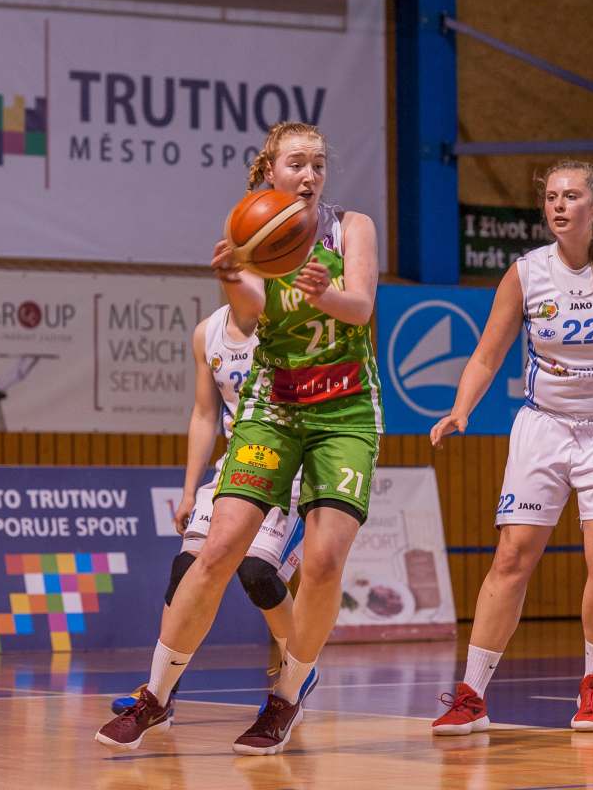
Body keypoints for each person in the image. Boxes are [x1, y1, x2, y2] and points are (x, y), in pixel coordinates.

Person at [96, 121, 383, 756]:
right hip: (273, 406)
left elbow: (361, 307)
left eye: (318, 164)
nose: (309, 175)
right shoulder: (253, 229)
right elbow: (250, 312)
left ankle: (286, 697)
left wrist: (326, 293)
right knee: (218, 550)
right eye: (296, 164)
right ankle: (155, 697)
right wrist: (230, 275)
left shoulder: (351, 227)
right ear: (269, 171)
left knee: (324, 562)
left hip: (344, 410)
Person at [430, 160, 593, 736]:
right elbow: (487, 355)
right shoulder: (525, 273)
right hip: (544, 426)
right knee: (512, 557)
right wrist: (461, 408)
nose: (559, 206)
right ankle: (472, 695)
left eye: (571, 196)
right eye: (551, 197)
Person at [108, 303, 308, 714]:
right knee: (186, 570)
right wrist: (188, 491)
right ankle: (160, 693)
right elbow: (204, 414)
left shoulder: (291, 322)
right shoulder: (208, 332)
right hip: (237, 465)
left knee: (257, 573)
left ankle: (297, 675)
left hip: (290, 467)